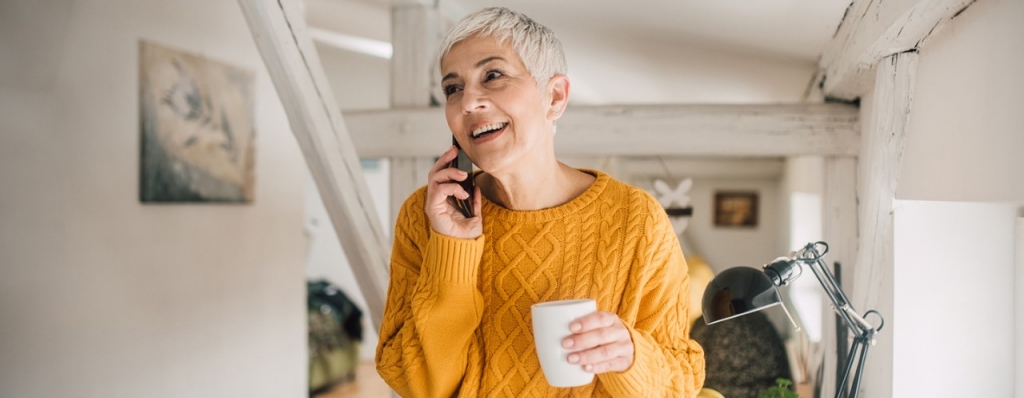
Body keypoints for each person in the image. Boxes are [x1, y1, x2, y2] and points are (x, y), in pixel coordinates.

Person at [375, 7, 705, 397]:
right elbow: (416, 383)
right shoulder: (426, 215)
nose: (468, 102)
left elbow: (681, 381)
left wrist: (630, 357)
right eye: (453, 88)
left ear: (555, 95)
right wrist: (453, 250)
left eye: (493, 75)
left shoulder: (638, 219)